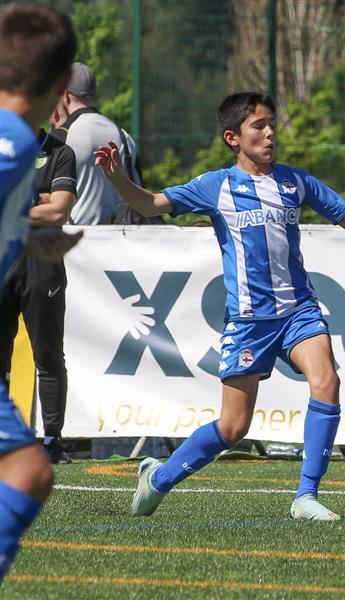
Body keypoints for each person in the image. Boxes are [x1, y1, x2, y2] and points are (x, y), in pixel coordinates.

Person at [94, 91, 345, 521]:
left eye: (271, 123)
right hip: (248, 322)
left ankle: (305, 497)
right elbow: (150, 203)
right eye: (258, 125)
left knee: (327, 380)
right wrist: (115, 178)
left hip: (299, 311)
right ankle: (158, 478)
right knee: (233, 428)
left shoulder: (296, 181)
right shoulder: (215, 186)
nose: (270, 132)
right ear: (232, 137)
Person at [0, 3, 78, 582]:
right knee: (27, 471)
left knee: (29, 470)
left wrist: (26, 239)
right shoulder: (12, 144)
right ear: (59, 85)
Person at [0, 121, 77, 465]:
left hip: (42, 264)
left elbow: (59, 210)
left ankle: (52, 440)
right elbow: (45, 208)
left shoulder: (60, 152)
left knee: (47, 354)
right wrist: (36, 205)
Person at [52, 62, 152, 224]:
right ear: (93, 95)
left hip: (75, 241)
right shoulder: (124, 136)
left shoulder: (61, 136)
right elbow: (142, 197)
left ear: (65, 95)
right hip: (122, 241)